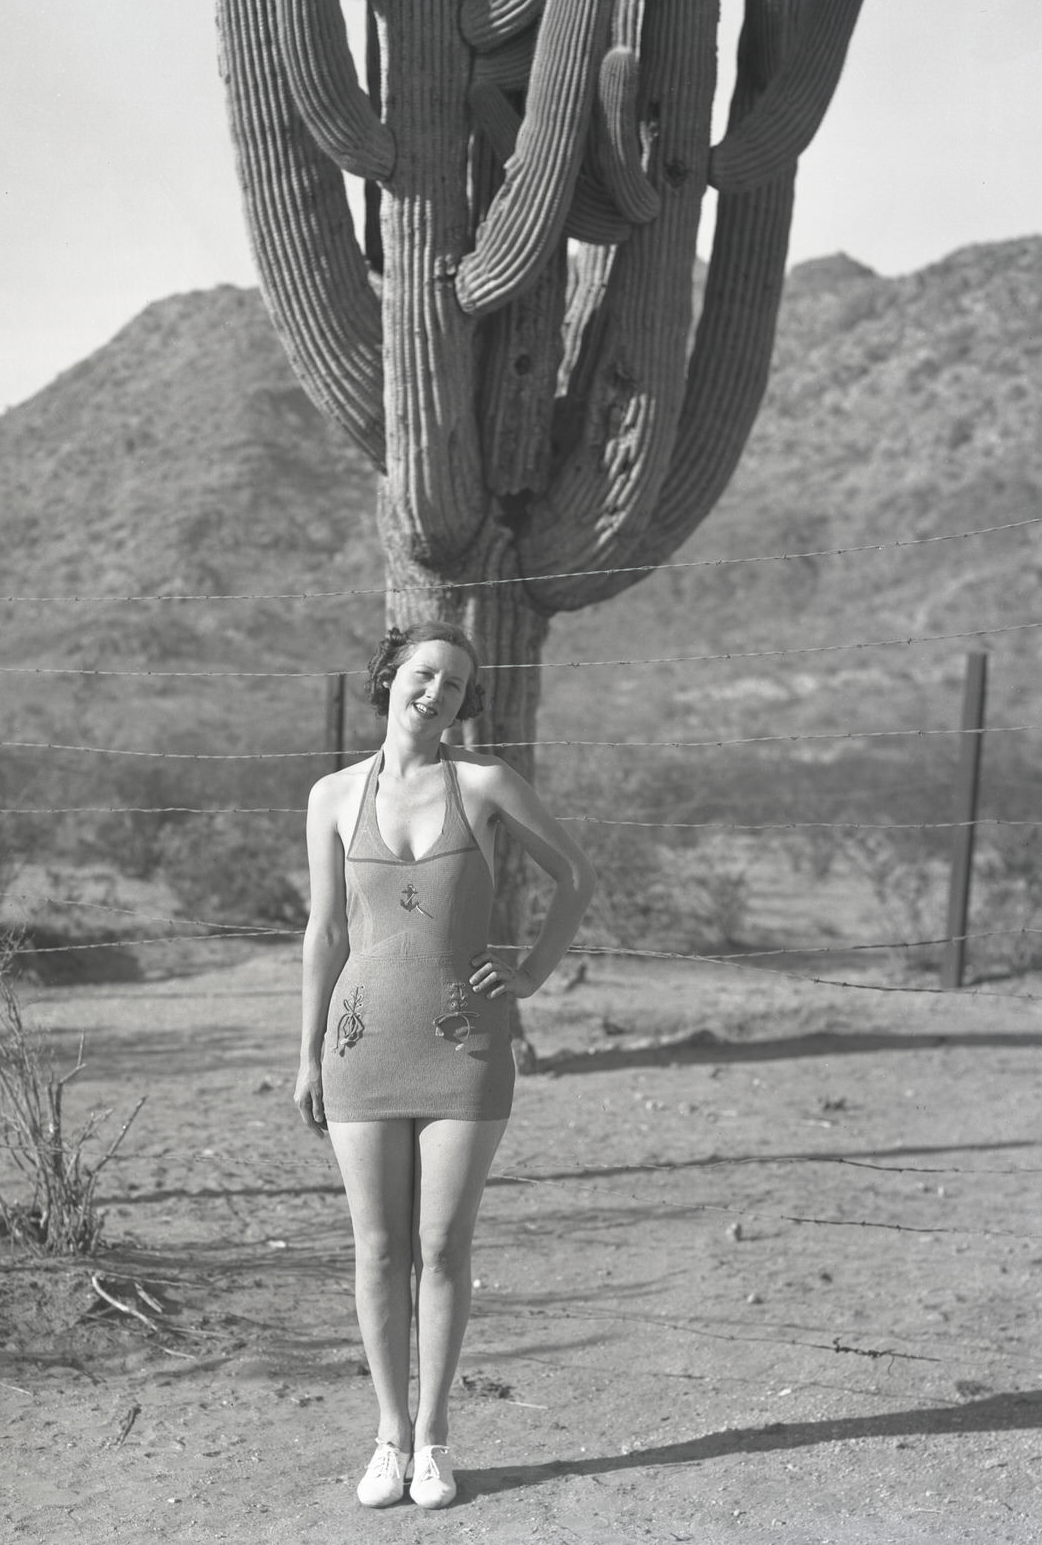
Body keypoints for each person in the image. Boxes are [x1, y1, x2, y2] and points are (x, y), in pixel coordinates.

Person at [294, 621, 596, 1509]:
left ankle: (434, 1441)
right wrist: (305, 1053)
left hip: (467, 1045)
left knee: (441, 1244)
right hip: (358, 1045)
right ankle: (387, 1436)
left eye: (456, 686)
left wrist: (533, 971)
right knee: (379, 1249)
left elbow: (576, 875)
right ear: (388, 677)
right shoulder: (332, 795)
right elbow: (324, 932)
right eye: (424, 676)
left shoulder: (486, 783)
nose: (436, 695)